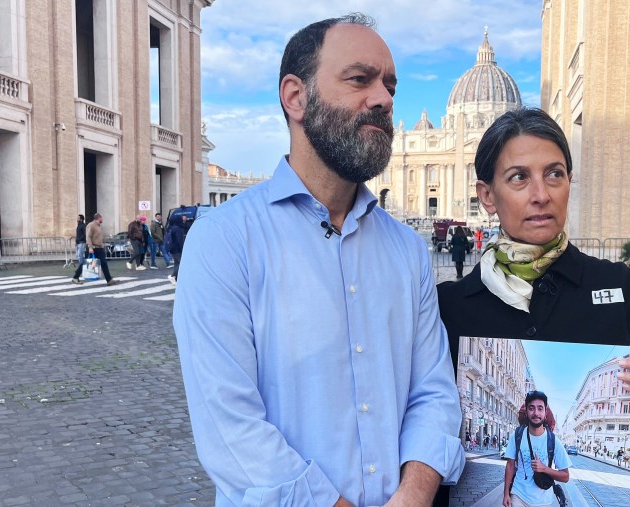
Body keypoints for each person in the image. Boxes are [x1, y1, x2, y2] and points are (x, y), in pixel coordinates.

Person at [172, 14, 464, 506]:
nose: (384, 99)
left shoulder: (408, 250)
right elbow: (230, 426)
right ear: (296, 97)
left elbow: (433, 392)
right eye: (359, 79)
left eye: (390, 85)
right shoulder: (222, 240)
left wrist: (412, 496)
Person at [436, 107, 630, 507]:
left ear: (570, 182)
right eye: (519, 177)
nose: (541, 194)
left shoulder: (616, 285)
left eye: (555, 174)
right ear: (487, 195)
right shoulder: (451, 305)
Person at [502, 391, 570, 507]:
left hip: (543, 501)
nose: (536, 413)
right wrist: (506, 494)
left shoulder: (554, 441)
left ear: (545, 412)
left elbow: (565, 476)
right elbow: (510, 465)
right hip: (518, 495)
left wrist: (544, 468)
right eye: (531, 408)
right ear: (527, 412)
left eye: (540, 408)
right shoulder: (517, 435)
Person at [71, 213, 115, 286]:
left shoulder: (99, 226)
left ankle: (109, 279)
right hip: (93, 248)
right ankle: (75, 277)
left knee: (104, 263)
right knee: (86, 263)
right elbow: (88, 237)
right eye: (102, 218)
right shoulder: (91, 225)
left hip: (99, 248)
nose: (103, 219)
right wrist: (90, 247)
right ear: (99, 218)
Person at [166, 215, 187, 285]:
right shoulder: (177, 229)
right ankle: (173, 276)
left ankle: (175, 278)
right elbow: (179, 240)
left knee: (177, 263)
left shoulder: (170, 228)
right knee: (180, 263)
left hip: (172, 249)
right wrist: (183, 248)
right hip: (177, 249)